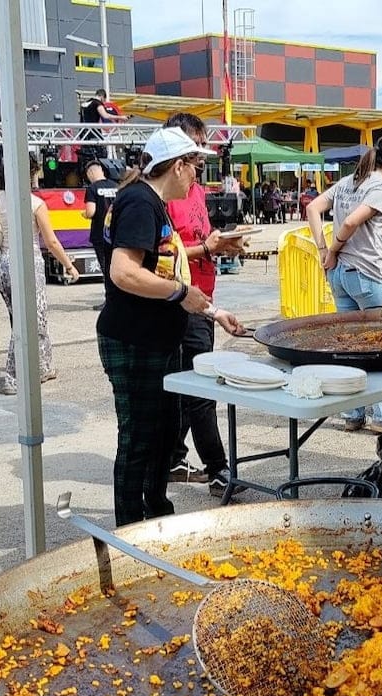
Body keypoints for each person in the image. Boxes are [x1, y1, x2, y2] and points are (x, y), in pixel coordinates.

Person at [98, 127, 243, 526]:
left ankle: (156, 509)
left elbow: (166, 270)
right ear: (177, 166)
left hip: (157, 339)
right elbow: (123, 272)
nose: (197, 177)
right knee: (139, 438)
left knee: (165, 430)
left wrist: (212, 312)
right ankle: (129, 527)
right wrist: (181, 294)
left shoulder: (152, 203)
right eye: (194, 167)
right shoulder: (141, 202)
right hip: (133, 340)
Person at [161, 113, 248, 495]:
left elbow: (199, 234)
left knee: (186, 383)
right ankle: (217, 469)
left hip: (204, 295)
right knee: (201, 385)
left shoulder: (194, 189)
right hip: (179, 298)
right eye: (193, 151)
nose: (199, 161)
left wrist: (223, 242)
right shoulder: (162, 192)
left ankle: (173, 458)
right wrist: (205, 247)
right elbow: (165, 254)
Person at [306, 134, 382, 433]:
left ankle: (353, 413)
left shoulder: (350, 180)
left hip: (339, 274)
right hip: (366, 272)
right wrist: (333, 249)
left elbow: (312, 208)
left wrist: (324, 250)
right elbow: (351, 222)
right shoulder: (381, 186)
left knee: (351, 344)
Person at [0, 152, 79, 395]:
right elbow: (51, 241)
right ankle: (14, 376)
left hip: (5, 264)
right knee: (31, 320)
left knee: (24, 319)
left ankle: (42, 366)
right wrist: (69, 265)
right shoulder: (35, 203)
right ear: (31, 173)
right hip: (29, 263)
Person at [82, 159, 115, 274]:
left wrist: (84, 215)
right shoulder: (116, 185)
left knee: (105, 264)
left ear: (89, 173)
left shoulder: (92, 188)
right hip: (117, 231)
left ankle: (109, 289)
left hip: (100, 233)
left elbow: (91, 212)